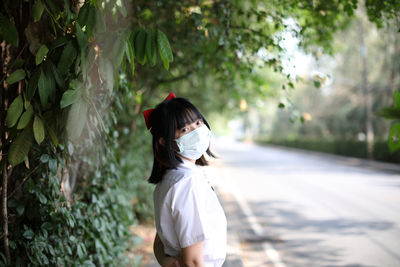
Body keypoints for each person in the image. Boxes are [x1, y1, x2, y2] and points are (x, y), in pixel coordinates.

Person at [142, 93, 227, 267]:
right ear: (165, 142)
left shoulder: (167, 181)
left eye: (198, 122)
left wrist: (168, 262)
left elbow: (160, 243)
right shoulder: (188, 183)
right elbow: (194, 262)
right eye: (184, 129)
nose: (197, 131)